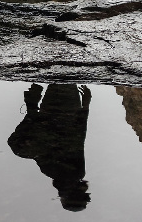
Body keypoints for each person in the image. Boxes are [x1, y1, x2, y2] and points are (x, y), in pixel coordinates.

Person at [8, 83, 91, 211]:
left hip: (69, 112)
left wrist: (85, 106)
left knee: (64, 77)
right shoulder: (49, 170)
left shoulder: (76, 173)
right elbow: (79, 139)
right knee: (58, 78)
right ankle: (33, 104)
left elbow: (79, 137)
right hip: (51, 113)